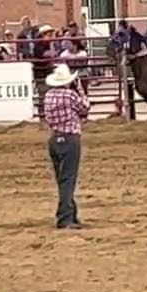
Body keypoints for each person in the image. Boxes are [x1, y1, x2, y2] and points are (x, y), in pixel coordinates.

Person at [41, 63, 91, 230]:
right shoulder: (70, 95)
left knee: (62, 179)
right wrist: (80, 89)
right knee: (68, 179)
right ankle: (65, 217)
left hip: (55, 138)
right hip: (70, 139)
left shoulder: (48, 96)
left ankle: (70, 213)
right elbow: (85, 107)